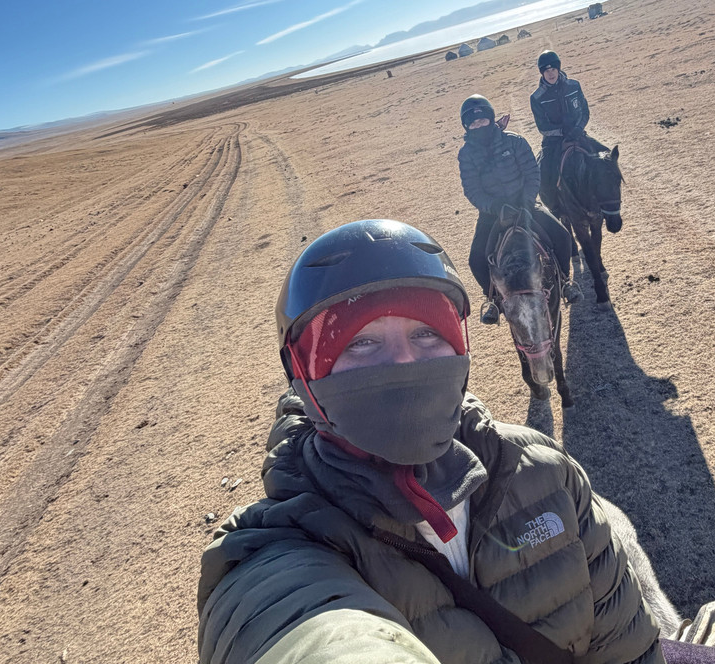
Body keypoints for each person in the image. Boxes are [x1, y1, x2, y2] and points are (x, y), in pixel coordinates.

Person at [196, 219, 666, 664]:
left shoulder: (545, 470)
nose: (404, 362)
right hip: (493, 203)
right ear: (303, 374)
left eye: (426, 333)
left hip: (523, 193)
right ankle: (493, 297)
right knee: (483, 248)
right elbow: (301, 630)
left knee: (558, 235)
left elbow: (629, 646)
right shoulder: (273, 551)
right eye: (360, 342)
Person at [457, 94, 582, 326]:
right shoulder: (466, 154)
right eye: (473, 123)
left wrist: (526, 201)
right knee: (475, 260)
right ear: (467, 127)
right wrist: (494, 207)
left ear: (491, 119)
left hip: (525, 203)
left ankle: (565, 281)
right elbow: (472, 190)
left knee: (563, 236)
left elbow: (532, 173)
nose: (479, 126)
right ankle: (493, 300)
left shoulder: (515, 141)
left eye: (482, 120)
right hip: (492, 213)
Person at [529, 50, 607, 217]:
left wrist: (578, 128)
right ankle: (555, 208)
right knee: (544, 174)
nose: (551, 74)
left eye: (553, 69)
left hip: (578, 134)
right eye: (546, 71)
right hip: (553, 141)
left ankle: (607, 202)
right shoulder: (536, 97)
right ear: (542, 73)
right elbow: (542, 127)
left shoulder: (574, 86)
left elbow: (584, 111)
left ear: (558, 69)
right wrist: (561, 131)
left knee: (607, 156)